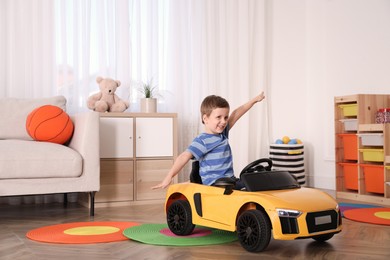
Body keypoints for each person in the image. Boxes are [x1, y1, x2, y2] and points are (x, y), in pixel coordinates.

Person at [151, 91, 265, 190]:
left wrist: (254, 100)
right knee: (245, 189)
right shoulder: (202, 140)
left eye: (225, 117)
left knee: (252, 183)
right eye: (218, 117)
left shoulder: (223, 133)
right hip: (214, 185)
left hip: (229, 181)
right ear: (205, 118)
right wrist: (169, 176)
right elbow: (184, 156)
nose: (224, 121)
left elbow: (236, 113)